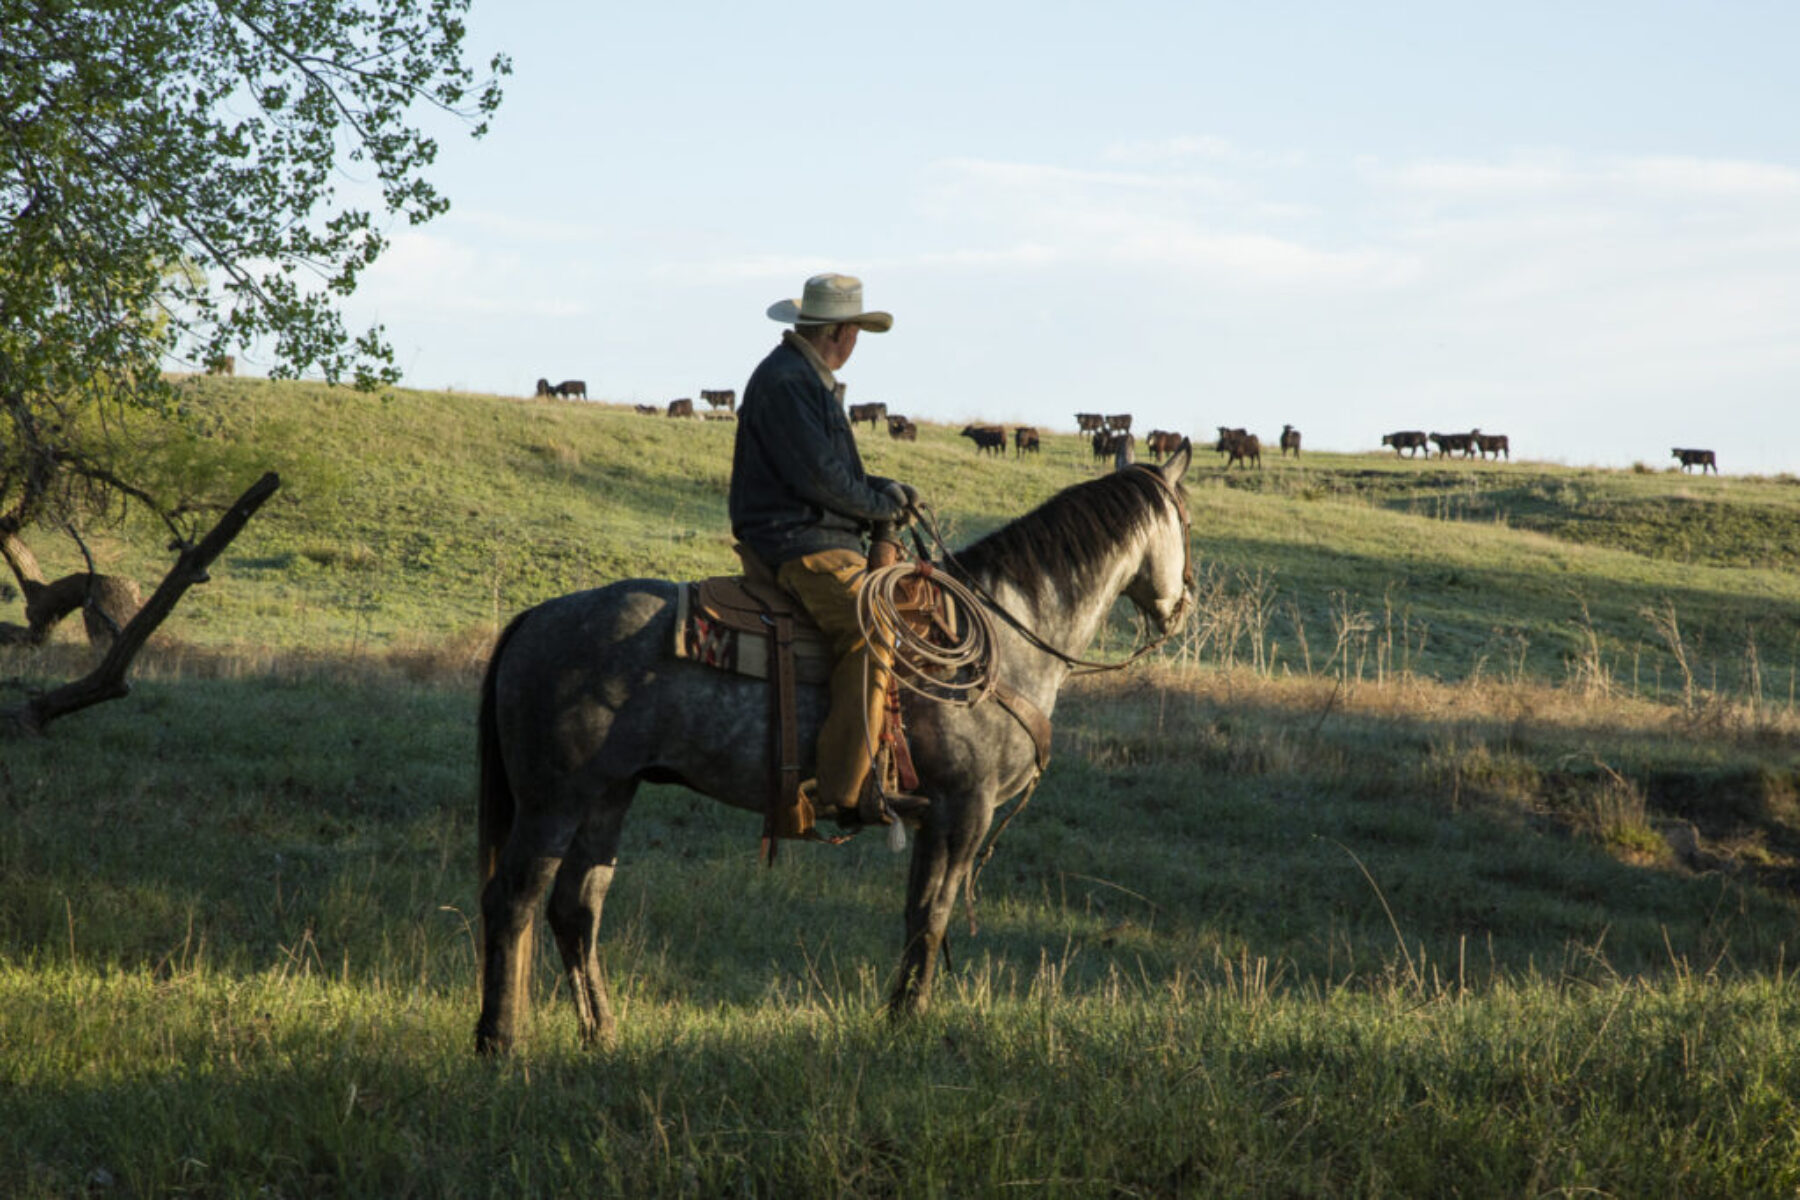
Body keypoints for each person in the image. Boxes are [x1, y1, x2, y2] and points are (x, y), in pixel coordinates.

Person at [728, 273, 920, 837]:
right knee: (873, 626)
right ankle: (843, 788)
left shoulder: (803, 379)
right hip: (801, 545)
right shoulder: (790, 383)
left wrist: (882, 490)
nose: (856, 340)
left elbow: (836, 475)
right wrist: (876, 506)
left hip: (814, 535)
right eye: (856, 330)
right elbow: (818, 478)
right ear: (840, 331)